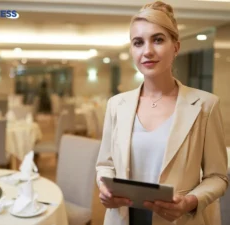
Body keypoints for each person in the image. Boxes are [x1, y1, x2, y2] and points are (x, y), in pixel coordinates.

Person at [95, 1, 228, 225]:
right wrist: (106, 188)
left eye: (158, 40)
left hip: (179, 220)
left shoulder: (205, 105)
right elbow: (105, 165)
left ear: (175, 47)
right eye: (138, 42)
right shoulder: (117, 105)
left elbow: (218, 177)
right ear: (132, 50)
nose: (147, 51)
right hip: (123, 217)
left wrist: (190, 201)